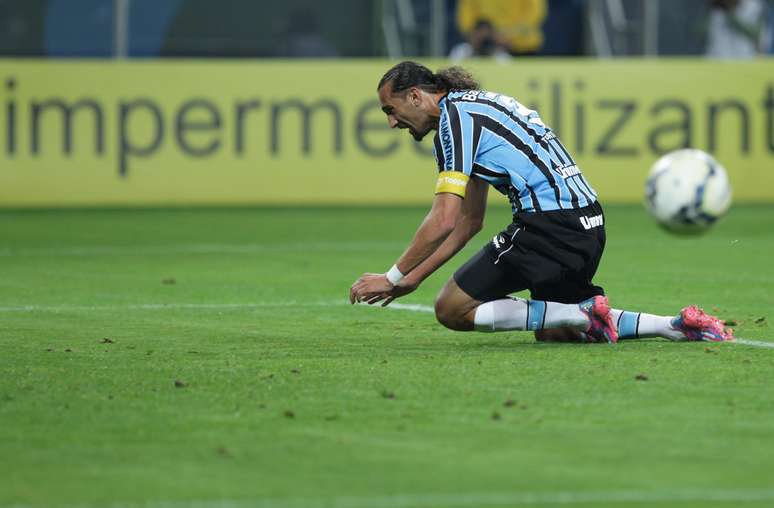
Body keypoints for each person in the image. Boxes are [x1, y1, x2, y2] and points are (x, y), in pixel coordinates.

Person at [349, 61, 734, 344]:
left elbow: (445, 218)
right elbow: (469, 221)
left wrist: (393, 276)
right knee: (557, 332)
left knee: (451, 309)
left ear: (415, 96)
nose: (392, 123)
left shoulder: (455, 120)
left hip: (550, 227)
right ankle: (676, 325)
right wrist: (413, 280)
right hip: (588, 226)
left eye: (391, 109)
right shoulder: (476, 104)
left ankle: (583, 313)